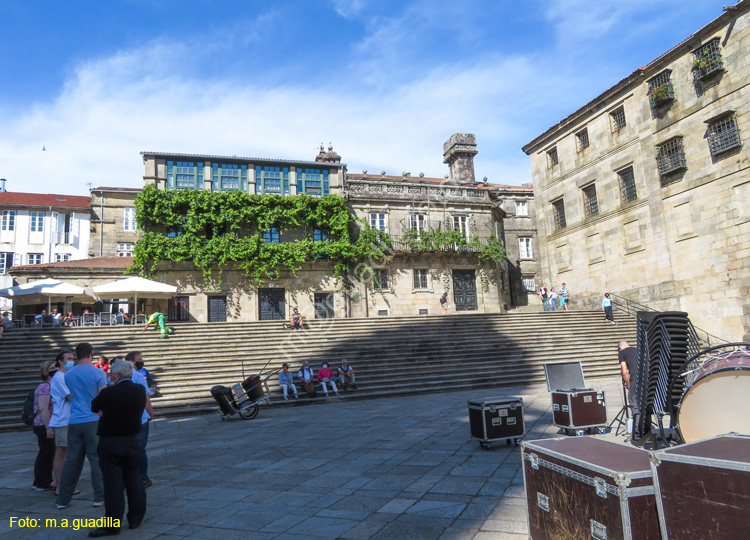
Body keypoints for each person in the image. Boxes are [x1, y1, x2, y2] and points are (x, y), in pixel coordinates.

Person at [88, 360, 147, 537]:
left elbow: (94, 406)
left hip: (111, 441)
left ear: (118, 375)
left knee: (113, 483)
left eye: (112, 373)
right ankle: (136, 518)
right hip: (132, 440)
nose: (110, 375)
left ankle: (112, 524)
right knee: (135, 480)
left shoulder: (109, 392)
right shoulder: (139, 390)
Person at [56, 342, 107, 510]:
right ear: (91, 353)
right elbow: (103, 396)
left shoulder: (69, 374)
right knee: (96, 459)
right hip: (92, 419)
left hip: (74, 420)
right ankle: (99, 497)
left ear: (77, 355)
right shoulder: (98, 372)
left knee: (72, 460)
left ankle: (63, 499)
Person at [49, 350, 77, 497]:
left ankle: (62, 483)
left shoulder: (66, 376)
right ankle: (60, 485)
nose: (71, 361)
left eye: (73, 358)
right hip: (62, 419)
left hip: (69, 418)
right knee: (62, 452)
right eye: (69, 359)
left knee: (67, 453)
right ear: (60, 361)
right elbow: (69, 396)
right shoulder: (59, 377)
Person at [125, 351, 154, 488]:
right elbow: (145, 397)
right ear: (132, 361)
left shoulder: (120, 377)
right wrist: (150, 411)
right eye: (140, 359)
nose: (142, 361)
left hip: (127, 417)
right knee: (140, 449)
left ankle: (132, 476)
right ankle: (143, 477)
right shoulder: (138, 376)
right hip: (140, 417)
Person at [32, 360, 56, 492]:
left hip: (44, 423)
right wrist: (49, 427)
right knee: (46, 453)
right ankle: (43, 481)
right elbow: (43, 408)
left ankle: (40, 480)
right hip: (43, 424)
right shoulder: (45, 387)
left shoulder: (48, 385)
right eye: (54, 367)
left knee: (46, 452)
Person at [618, 341, 646, 442]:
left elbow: (624, 371)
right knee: (645, 407)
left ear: (620, 347)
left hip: (635, 381)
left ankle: (637, 435)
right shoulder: (638, 350)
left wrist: (629, 384)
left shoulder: (622, 353)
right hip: (646, 381)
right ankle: (646, 431)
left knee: (635, 408)